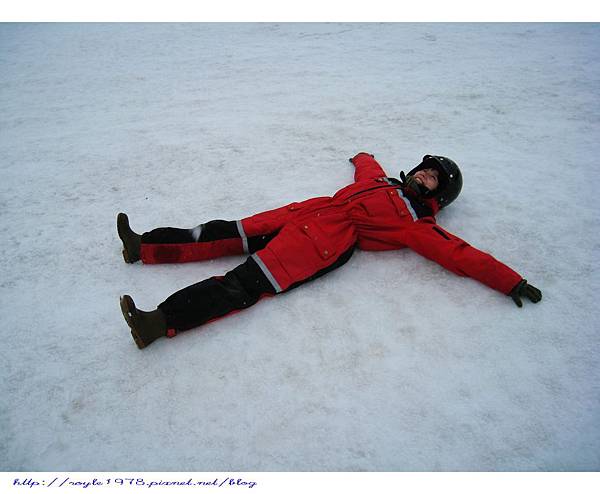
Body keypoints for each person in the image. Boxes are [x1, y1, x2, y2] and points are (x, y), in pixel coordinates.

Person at [118, 153, 542, 349]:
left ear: (440, 196)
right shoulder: (381, 183)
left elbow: (461, 254)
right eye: (425, 169)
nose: (425, 176)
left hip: (319, 246)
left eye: (434, 179)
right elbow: (369, 168)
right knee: (221, 232)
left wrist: (510, 281)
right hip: (297, 214)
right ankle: (143, 247)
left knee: (240, 285)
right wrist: (362, 155)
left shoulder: (417, 224)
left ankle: (158, 322)